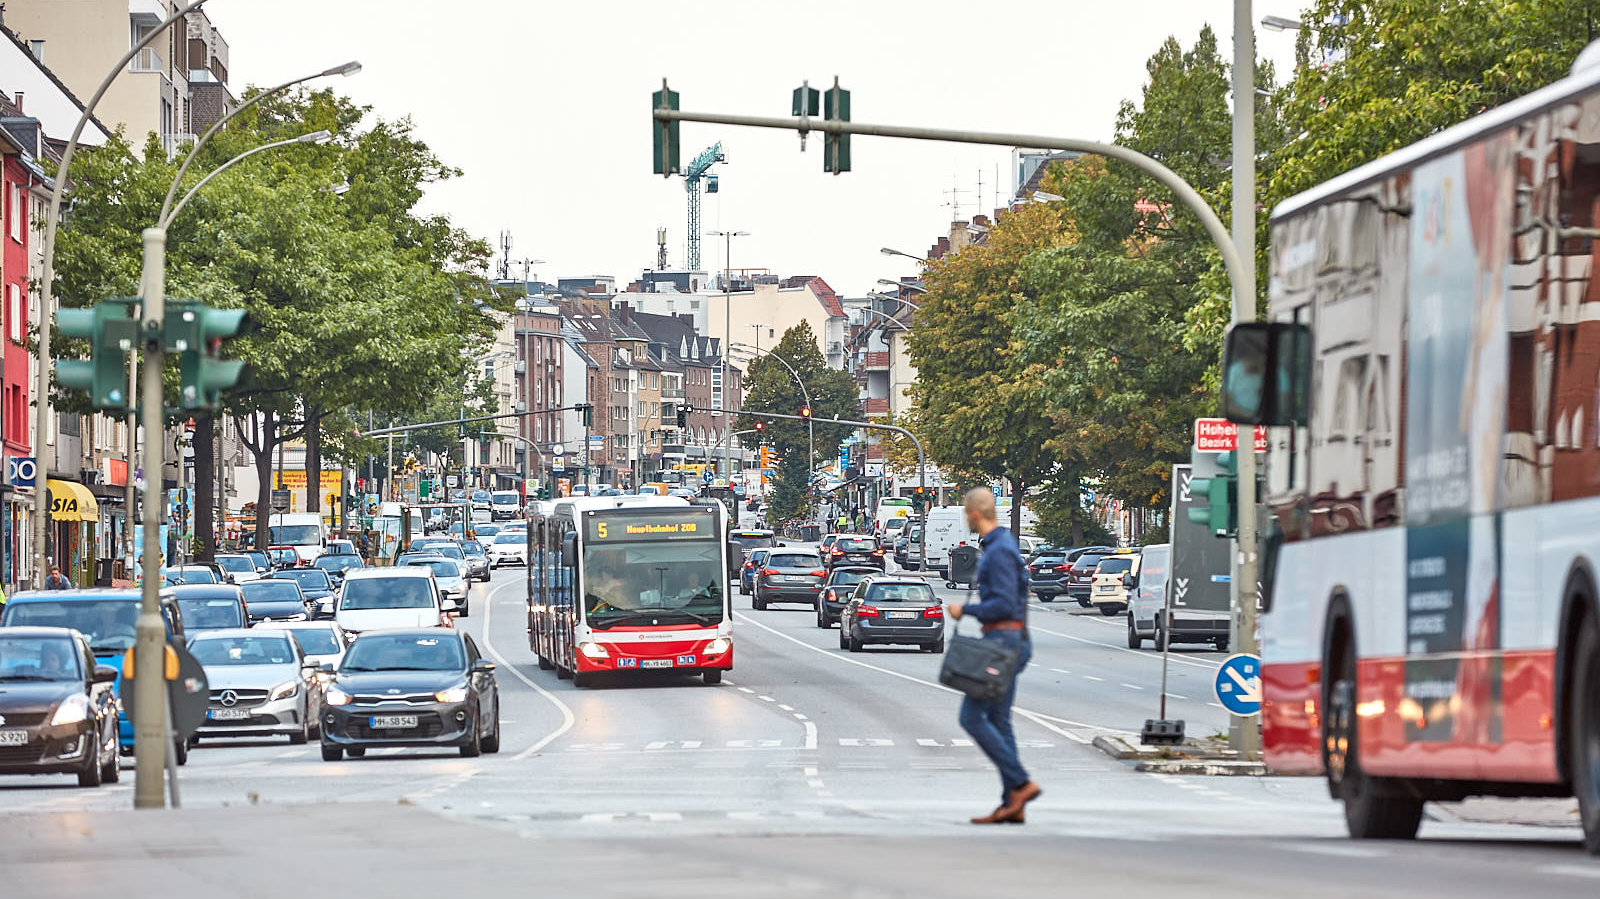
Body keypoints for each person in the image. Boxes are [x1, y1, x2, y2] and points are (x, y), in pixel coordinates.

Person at [945, 487, 1041, 825]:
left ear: (973, 514)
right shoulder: (1004, 546)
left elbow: (1001, 603)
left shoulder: (999, 551)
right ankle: (1011, 803)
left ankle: (1020, 782)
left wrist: (965, 609)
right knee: (1000, 721)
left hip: (1002, 641)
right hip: (1011, 639)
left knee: (971, 718)